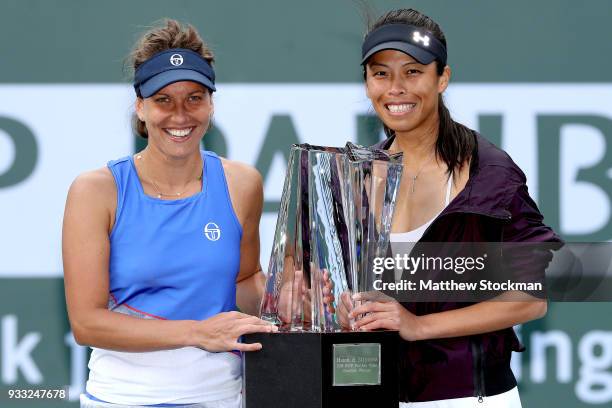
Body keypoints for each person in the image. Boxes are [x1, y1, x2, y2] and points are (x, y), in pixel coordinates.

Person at [337, 8, 562, 407]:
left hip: (467, 397)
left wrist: (418, 326)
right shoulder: (353, 173)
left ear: (442, 78)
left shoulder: (491, 173)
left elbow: (531, 298)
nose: (396, 88)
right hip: (372, 390)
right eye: (380, 74)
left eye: (412, 72)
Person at [62, 20, 277, 408]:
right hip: (122, 398)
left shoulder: (242, 183)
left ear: (211, 104)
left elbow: (245, 280)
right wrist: (197, 332)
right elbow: (86, 323)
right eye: (163, 100)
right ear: (141, 107)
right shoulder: (95, 191)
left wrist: (283, 299)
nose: (180, 115)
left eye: (194, 98)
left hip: (222, 396)